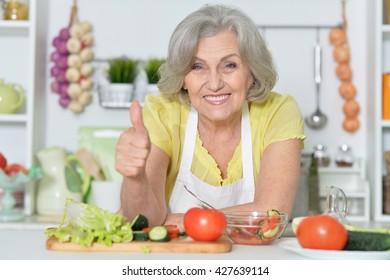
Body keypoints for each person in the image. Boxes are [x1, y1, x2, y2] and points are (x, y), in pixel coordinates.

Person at [115, 4, 306, 228]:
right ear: (183, 78)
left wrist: (185, 222)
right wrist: (135, 178)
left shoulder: (278, 112)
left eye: (229, 65)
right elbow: (144, 221)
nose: (214, 83)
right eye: (198, 67)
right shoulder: (163, 112)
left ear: (252, 73)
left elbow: (271, 213)